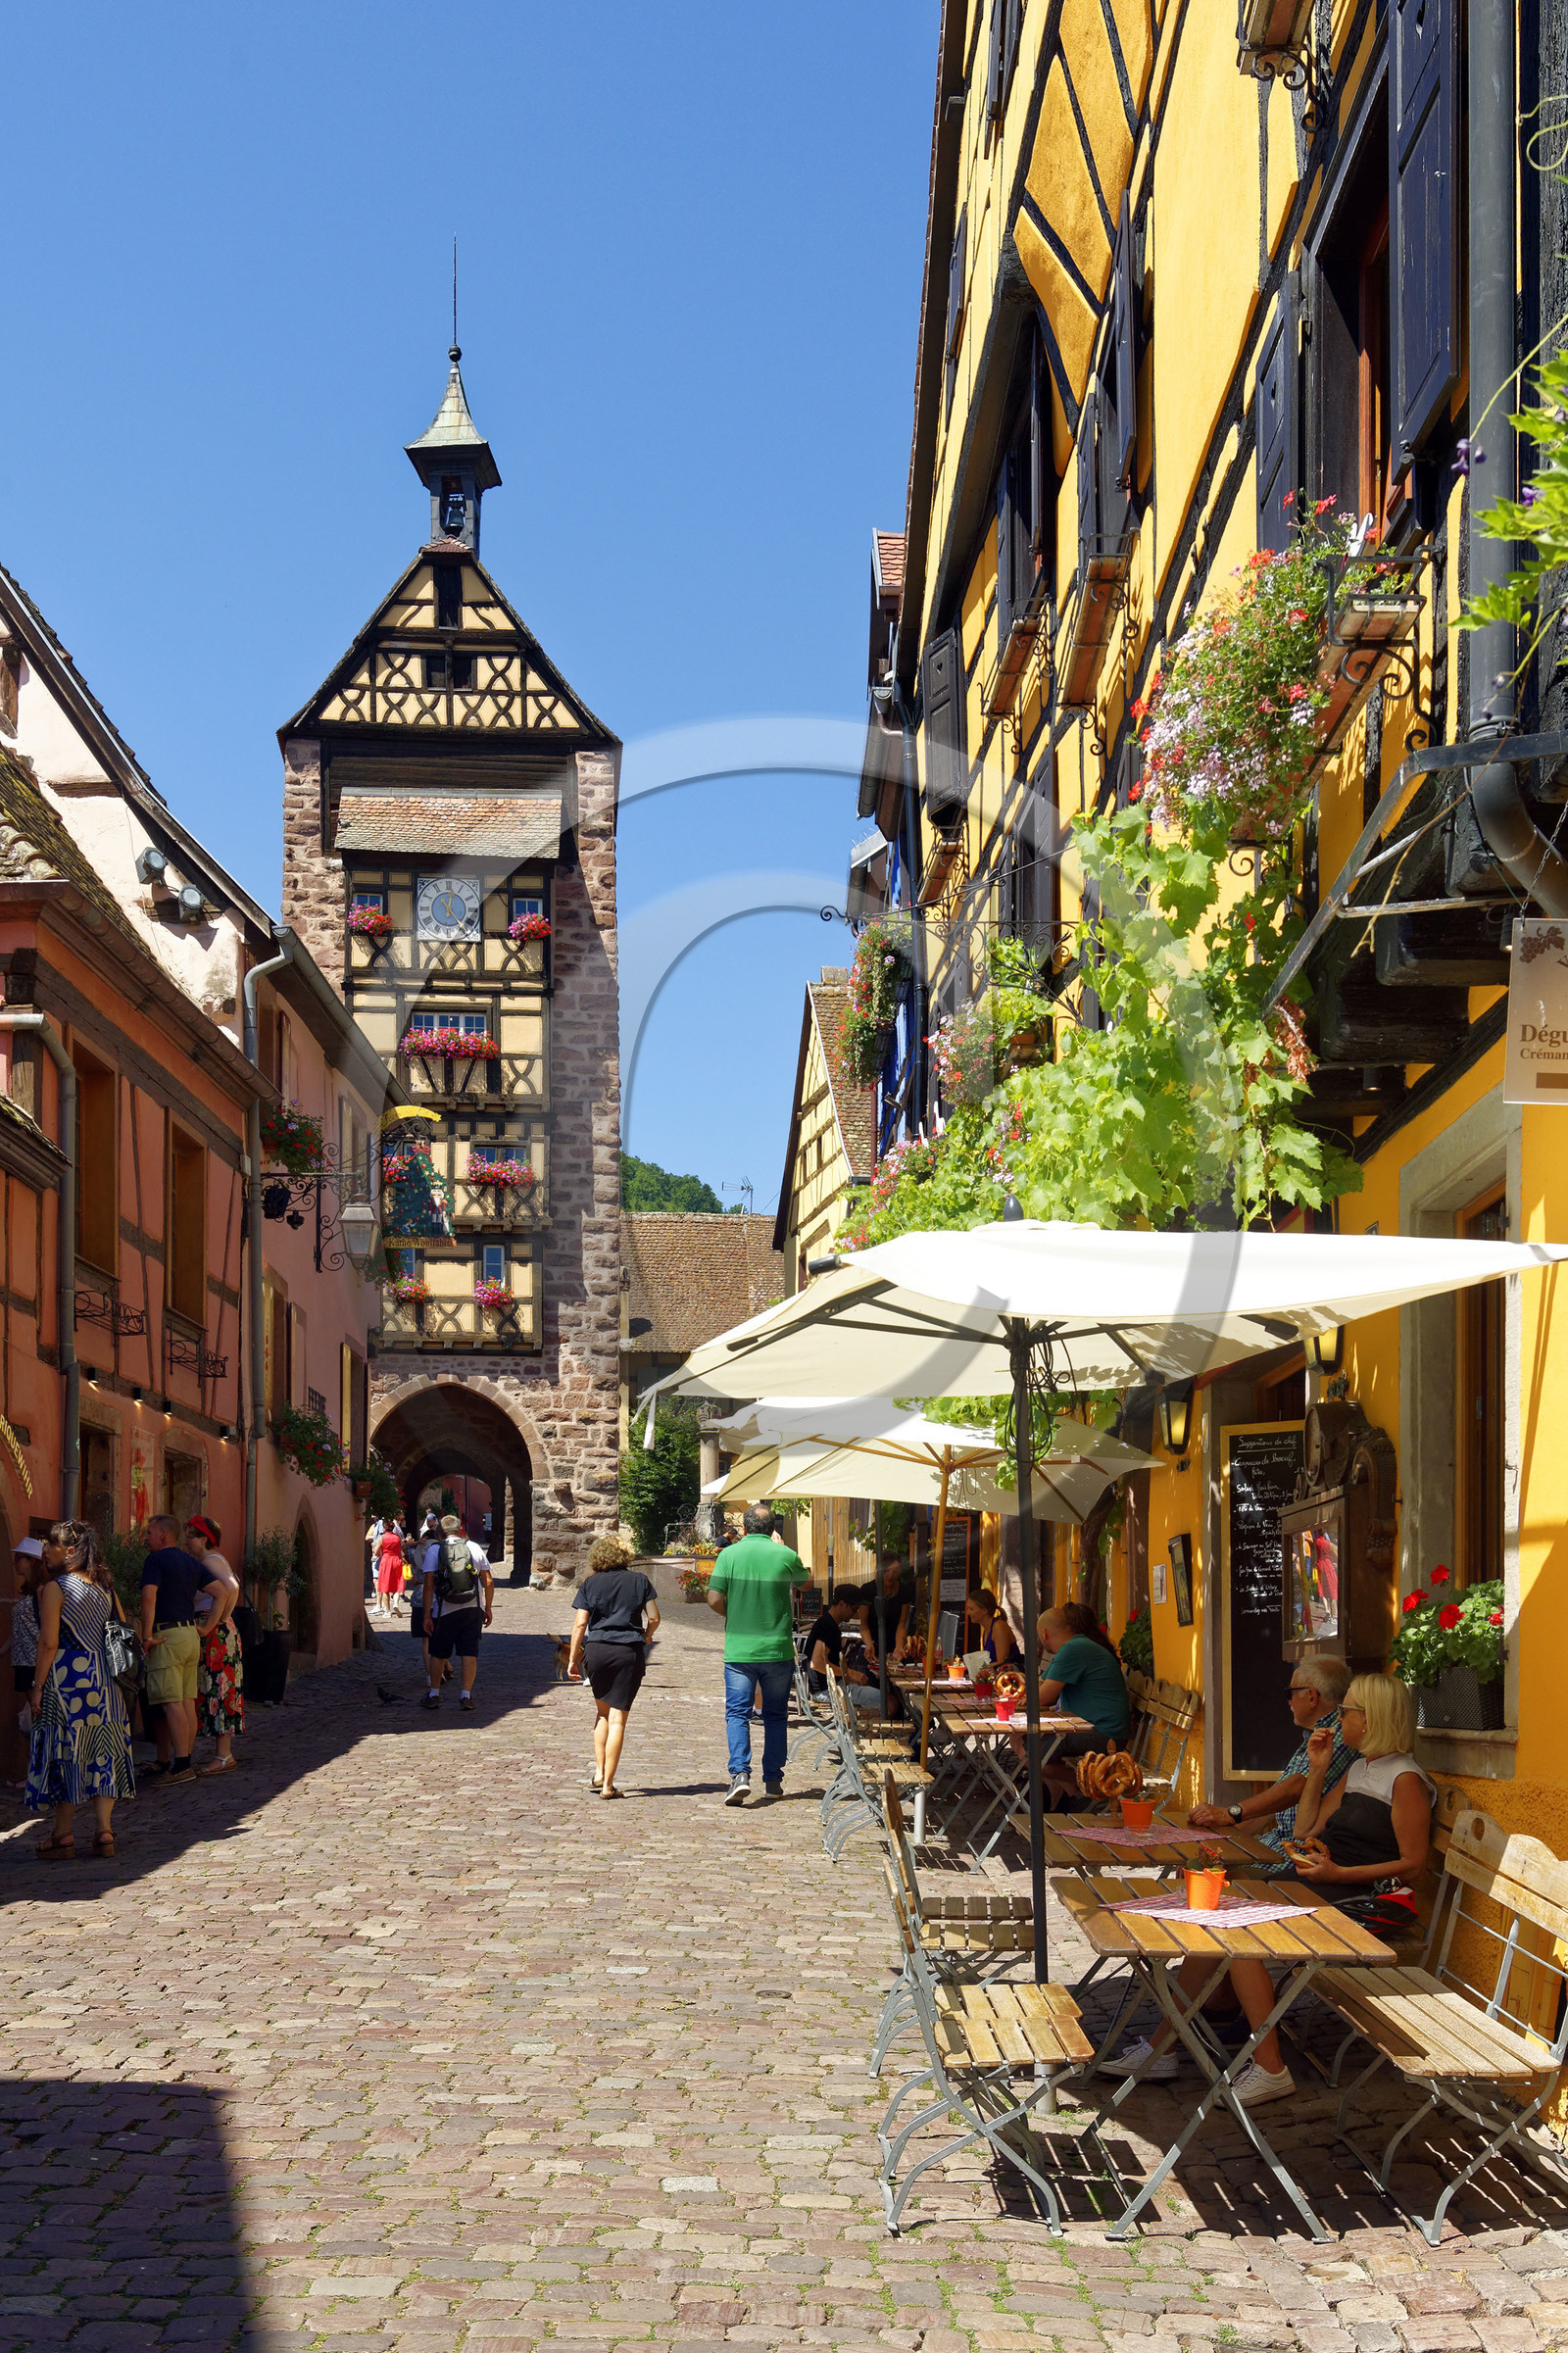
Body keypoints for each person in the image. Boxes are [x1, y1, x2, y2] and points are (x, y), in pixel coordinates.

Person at [1104, 1674, 1435, 2108]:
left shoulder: (1405, 1779)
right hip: (1322, 1884)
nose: (1341, 1719)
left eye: (1348, 1711)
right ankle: (1167, 2045)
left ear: (1371, 1720)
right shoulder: (1360, 1768)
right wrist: (1318, 1769)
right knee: (1220, 1907)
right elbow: (1305, 1830)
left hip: (1356, 1900)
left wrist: (1336, 1875)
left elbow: (1414, 1866)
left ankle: (1270, 2067)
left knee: (1237, 1927)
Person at [25, 1521, 135, 1858]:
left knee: (67, 1753)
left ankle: (63, 1834)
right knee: (104, 1751)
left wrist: (37, 1686)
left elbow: (48, 1642)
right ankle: (104, 1832)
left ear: (70, 1551)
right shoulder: (105, 1587)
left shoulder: (56, 1588)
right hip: (105, 1683)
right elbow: (121, 1628)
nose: (44, 1551)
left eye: (51, 1544)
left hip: (66, 1682)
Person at [1187, 1656, 1354, 1850]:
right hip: (1279, 1843)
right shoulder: (1316, 1734)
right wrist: (1220, 1841)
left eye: (1289, 1693)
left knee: (1218, 1875)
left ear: (1311, 1697)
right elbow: (1270, 1809)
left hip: (1302, 1852)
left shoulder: (1338, 1735)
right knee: (1202, 1863)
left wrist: (1230, 1813)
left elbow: (1296, 1787)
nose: (1289, 1702)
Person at [707, 1500, 808, 1803]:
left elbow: (713, 1599)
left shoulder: (730, 1554)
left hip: (740, 1650)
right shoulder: (785, 1554)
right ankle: (773, 1780)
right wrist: (786, 1550)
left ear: (745, 1528)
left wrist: (734, 1613)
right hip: (777, 1650)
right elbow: (807, 1584)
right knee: (776, 1715)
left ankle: (740, 1774)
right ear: (772, 1528)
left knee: (737, 1713)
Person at [567, 1534, 661, 1798]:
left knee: (602, 1714)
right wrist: (646, 1635)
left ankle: (598, 1772)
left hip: (596, 1650)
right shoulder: (640, 1581)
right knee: (618, 1719)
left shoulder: (591, 1583)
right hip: (627, 1651)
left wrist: (574, 1658)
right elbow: (653, 1617)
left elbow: (580, 1624)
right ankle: (608, 1785)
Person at [139, 1513, 229, 1782]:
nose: (146, 1538)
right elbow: (222, 1592)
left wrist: (145, 1636)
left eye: (149, 1533)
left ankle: (181, 1765)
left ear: (163, 1535)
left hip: (166, 1635)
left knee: (171, 1703)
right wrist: (209, 1626)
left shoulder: (155, 1560)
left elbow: (148, 1596)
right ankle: (183, 1759)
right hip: (190, 1634)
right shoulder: (190, 1562)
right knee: (187, 1701)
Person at [1035, 1602, 1131, 1804]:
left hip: (1103, 1735)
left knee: (1034, 1753)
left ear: (1044, 1634)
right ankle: (1066, 1799)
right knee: (1034, 1744)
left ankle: (1094, 1787)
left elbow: (1041, 1698)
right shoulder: (1075, 1646)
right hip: (1099, 1729)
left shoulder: (1073, 1649)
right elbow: (1041, 1686)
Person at [419, 1514, 494, 1713]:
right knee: (469, 1652)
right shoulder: (474, 1547)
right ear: (460, 1529)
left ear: (440, 1532)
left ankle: (434, 1694)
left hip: (444, 1609)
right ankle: (465, 1695)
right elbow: (488, 1581)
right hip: (471, 1609)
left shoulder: (435, 1550)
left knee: (438, 1652)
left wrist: (427, 1614)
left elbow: (428, 1586)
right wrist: (488, 1607)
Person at [186, 1516, 243, 1776]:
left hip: (214, 1634)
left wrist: (214, 1622)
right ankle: (222, 1754)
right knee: (218, 1689)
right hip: (219, 1630)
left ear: (204, 1539)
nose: (187, 1541)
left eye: (191, 1536)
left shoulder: (210, 1561)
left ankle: (223, 1755)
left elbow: (230, 1588)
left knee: (218, 1690)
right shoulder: (213, 1560)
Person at [858, 1558, 915, 1673]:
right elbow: (864, 1626)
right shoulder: (867, 1590)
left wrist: (899, 1647)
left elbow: (902, 1624)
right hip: (872, 1645)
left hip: (894, 1647)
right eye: (886, 1571)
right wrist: (869, 1644)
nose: (890, 1575)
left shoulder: (905, 1591)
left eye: (895, 1571)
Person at [802, 1590, 856, 1697]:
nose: (855, 1614)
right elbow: (816, 1663)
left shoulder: (827, 1622)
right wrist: (849, 1674)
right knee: (888, 1701)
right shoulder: (827, 1626)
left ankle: (863, 1714)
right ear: (842, 1604)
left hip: (828, 1687)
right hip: (828, 1690)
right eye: (854, 1609)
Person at [964, 1589, 1016, 1669]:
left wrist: (973, 1668)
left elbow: (1002, 1663)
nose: (968, 1613)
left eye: (971, 1609)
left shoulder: (999, 1626)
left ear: (984, 1611)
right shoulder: (986, 1629)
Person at [373, 1516, 407, 1618]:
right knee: (397, 1584)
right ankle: (396, 1603)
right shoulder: (397, 1538)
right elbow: (402, 1547)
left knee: (385, 1587)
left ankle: (387, 1611)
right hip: (396, 1560)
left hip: (386, 1561)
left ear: (384, 1528)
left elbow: (376, 1552)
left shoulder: (382, 1538)